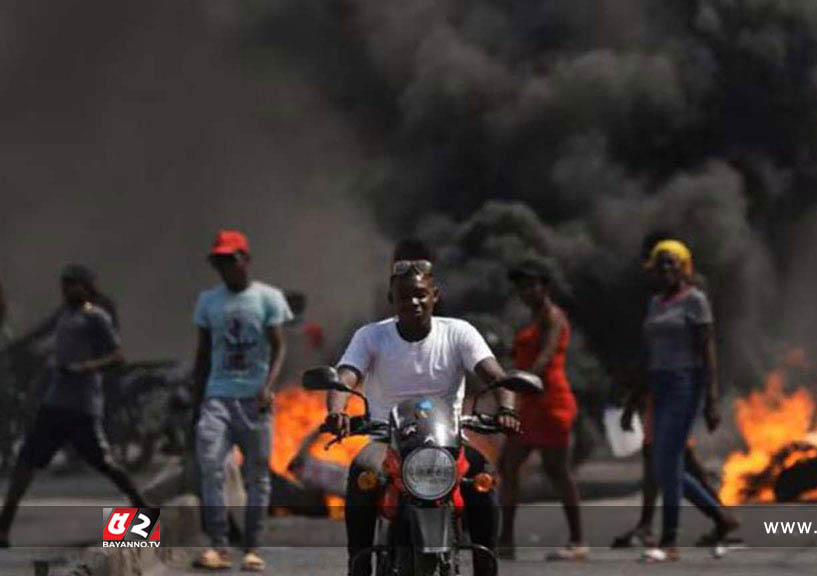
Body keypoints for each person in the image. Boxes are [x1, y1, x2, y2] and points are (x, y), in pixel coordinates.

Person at [324, 238, 520, 576]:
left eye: (420, 295)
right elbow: (346, 376)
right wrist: (337, 410)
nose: (413, 302)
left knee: (485, 479)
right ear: (392, 300)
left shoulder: (459, 332)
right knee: (361, 474)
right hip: (388, 441)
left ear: (435, 296)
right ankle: (358, 565)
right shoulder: (371, 336)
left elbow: (494, 374)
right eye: (404, 296)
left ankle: (486, 565)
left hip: (448, 441)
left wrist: (507, 408)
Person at [0, 265, 147, 547]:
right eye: (64, 285)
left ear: (86, 286)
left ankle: (143, 512)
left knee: (106, 464)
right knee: (25, 463)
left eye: (73, 285)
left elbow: (117, 357)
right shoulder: (64, 314)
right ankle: (3, 527)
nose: (67, 291)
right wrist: (16, 346)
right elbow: (41, 331)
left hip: (82, 406)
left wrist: (84, 368)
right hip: (54, 404)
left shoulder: (97, 317)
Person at [613, 237, 740, 550]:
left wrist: (711, 400)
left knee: (666, 461)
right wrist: (631, 404)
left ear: (684, 267)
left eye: (672, 262)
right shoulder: (655, 304)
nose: (666, 268)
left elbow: (708, 351)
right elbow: (647, 355)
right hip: (657, 386)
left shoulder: (695, 300)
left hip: (685, 385)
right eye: (661, 263)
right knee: (666, 464)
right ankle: (720, 518)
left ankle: (669, 538)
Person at [191, 230, 292, 571]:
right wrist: (195, 399)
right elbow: (203, 353)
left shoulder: (268, 299)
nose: (225, 267)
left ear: (245, 260)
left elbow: (279, 347)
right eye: (219, 262)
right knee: (212, 467)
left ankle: (253, 547)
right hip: (217, 397)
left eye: (230, 260)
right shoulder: (208, 301)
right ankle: (218, 545)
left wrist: (268, 385)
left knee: (257, 476)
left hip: (255, 400)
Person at [497, 259, 588, 561]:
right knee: (507, 466)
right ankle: (505, 541)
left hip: (550, 402)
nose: (525, 291)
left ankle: (577, 541)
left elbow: (546, 355)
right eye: (521, 287)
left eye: (530, 285)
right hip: (530, 403)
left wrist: (523, 378)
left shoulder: (553, 317)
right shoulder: (533, 319)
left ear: (545, 287)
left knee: (557, 470)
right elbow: (522, 355)